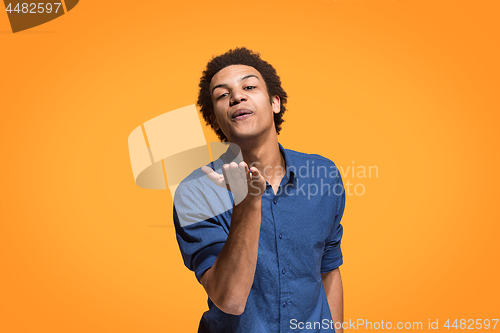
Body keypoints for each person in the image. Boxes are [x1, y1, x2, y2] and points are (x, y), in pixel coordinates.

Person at [173, 47, 346, 332]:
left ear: (275, 102)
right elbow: (230, 299)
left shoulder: (324, 175)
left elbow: (328, 269)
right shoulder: (197, 191)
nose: (237, 97)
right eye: (222, 95)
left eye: (249, 86)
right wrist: (248, 202)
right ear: (215, 119)